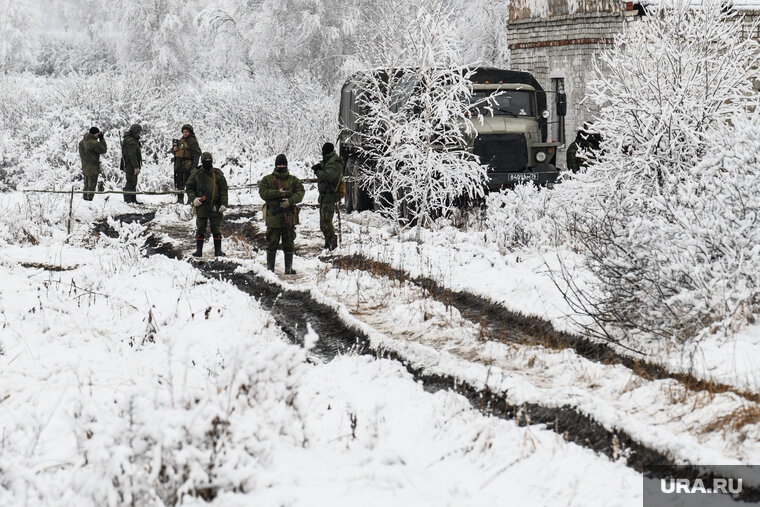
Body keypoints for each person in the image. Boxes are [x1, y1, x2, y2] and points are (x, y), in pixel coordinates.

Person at [258, 154, 305, 274]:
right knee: (272, 244)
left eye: (283, 164)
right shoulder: (267, 180)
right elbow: (263, 193)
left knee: (289, 244)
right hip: (273, 218)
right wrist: (277, 193)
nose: (281, 167)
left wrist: (290, 200)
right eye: (279, 164)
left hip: (288, 218)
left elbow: (300, 192)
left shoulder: (293, 180)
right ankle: (270, 270)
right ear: (275, 165)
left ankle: (288, 269)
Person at [186, 152, 229, 257]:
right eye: (206, 160)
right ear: (202, 161)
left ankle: (218, 251)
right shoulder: (196, 174)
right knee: (201, 227)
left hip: (215, 205)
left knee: (216, 227)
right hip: (201, 205)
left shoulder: (217, 174)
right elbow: (189, 188)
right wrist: (194, 199)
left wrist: (224, 204)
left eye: (210, 160)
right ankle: (198, 251)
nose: (208, 162)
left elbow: (223, 189)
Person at [311, 142, 343, 250]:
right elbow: (326, 169)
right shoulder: (329, 161)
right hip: (325, 195)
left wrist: (318, 171)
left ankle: (332, 243)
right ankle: (328, 242)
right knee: (323, 223)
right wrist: (320, 166)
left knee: (326, 222)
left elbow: (328, 176)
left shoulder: (335, 162)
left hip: (330, 195)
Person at [171, 124, 201, 204]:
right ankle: (180, 200)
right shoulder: (181, 140)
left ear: (190, 132)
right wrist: (174, 149)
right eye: (183, 132)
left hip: (188, 166)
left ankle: (190, 200)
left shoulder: (192, 141)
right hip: (179, 165)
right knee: (179, 183)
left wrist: (194, 167)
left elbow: (196, 154)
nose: (185, 133)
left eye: (186, 132)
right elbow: (176, 152)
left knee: (189, 184)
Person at [78, 126, 107, 201]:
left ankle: (85, 198)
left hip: (85, 166)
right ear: (95, 134)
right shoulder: (93, 143)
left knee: (86, 184)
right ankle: (89, 200)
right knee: (92, 185)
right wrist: (102, 139)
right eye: (97, 134)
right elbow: (103, 150)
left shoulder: (82, 142)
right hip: (93, 167)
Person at [121, 124, 143, 204]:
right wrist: (136, 167)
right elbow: (132, 155)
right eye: (139, 132)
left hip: (131, 164)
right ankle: (127, 200)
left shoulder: (132, 140)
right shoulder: (131, 141)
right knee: (130, 182)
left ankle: (133, 199)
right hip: (130, 165)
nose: (140, 134)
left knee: (133, 182)